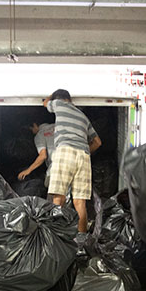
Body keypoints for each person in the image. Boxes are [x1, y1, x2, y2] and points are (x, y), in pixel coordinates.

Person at [43, 89, 102, 233]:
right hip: (83, 156)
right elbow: (97, 142)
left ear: (60, 99)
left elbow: (45, 103)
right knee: (80, 202)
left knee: (58, 198)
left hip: (65, 151)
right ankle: (81, 243)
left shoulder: (60, 104)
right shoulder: (83, 116)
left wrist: (52, 94)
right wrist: (85, 149)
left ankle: (58, 237)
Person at [18, 121, 56, 187]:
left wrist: (28, 170)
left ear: (35, 124)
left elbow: (43, 156)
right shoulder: (57, 126)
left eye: (31, 130)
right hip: (77, 159)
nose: (32, 133)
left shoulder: (39, 135)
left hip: (57, 165)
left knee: (50, 189)